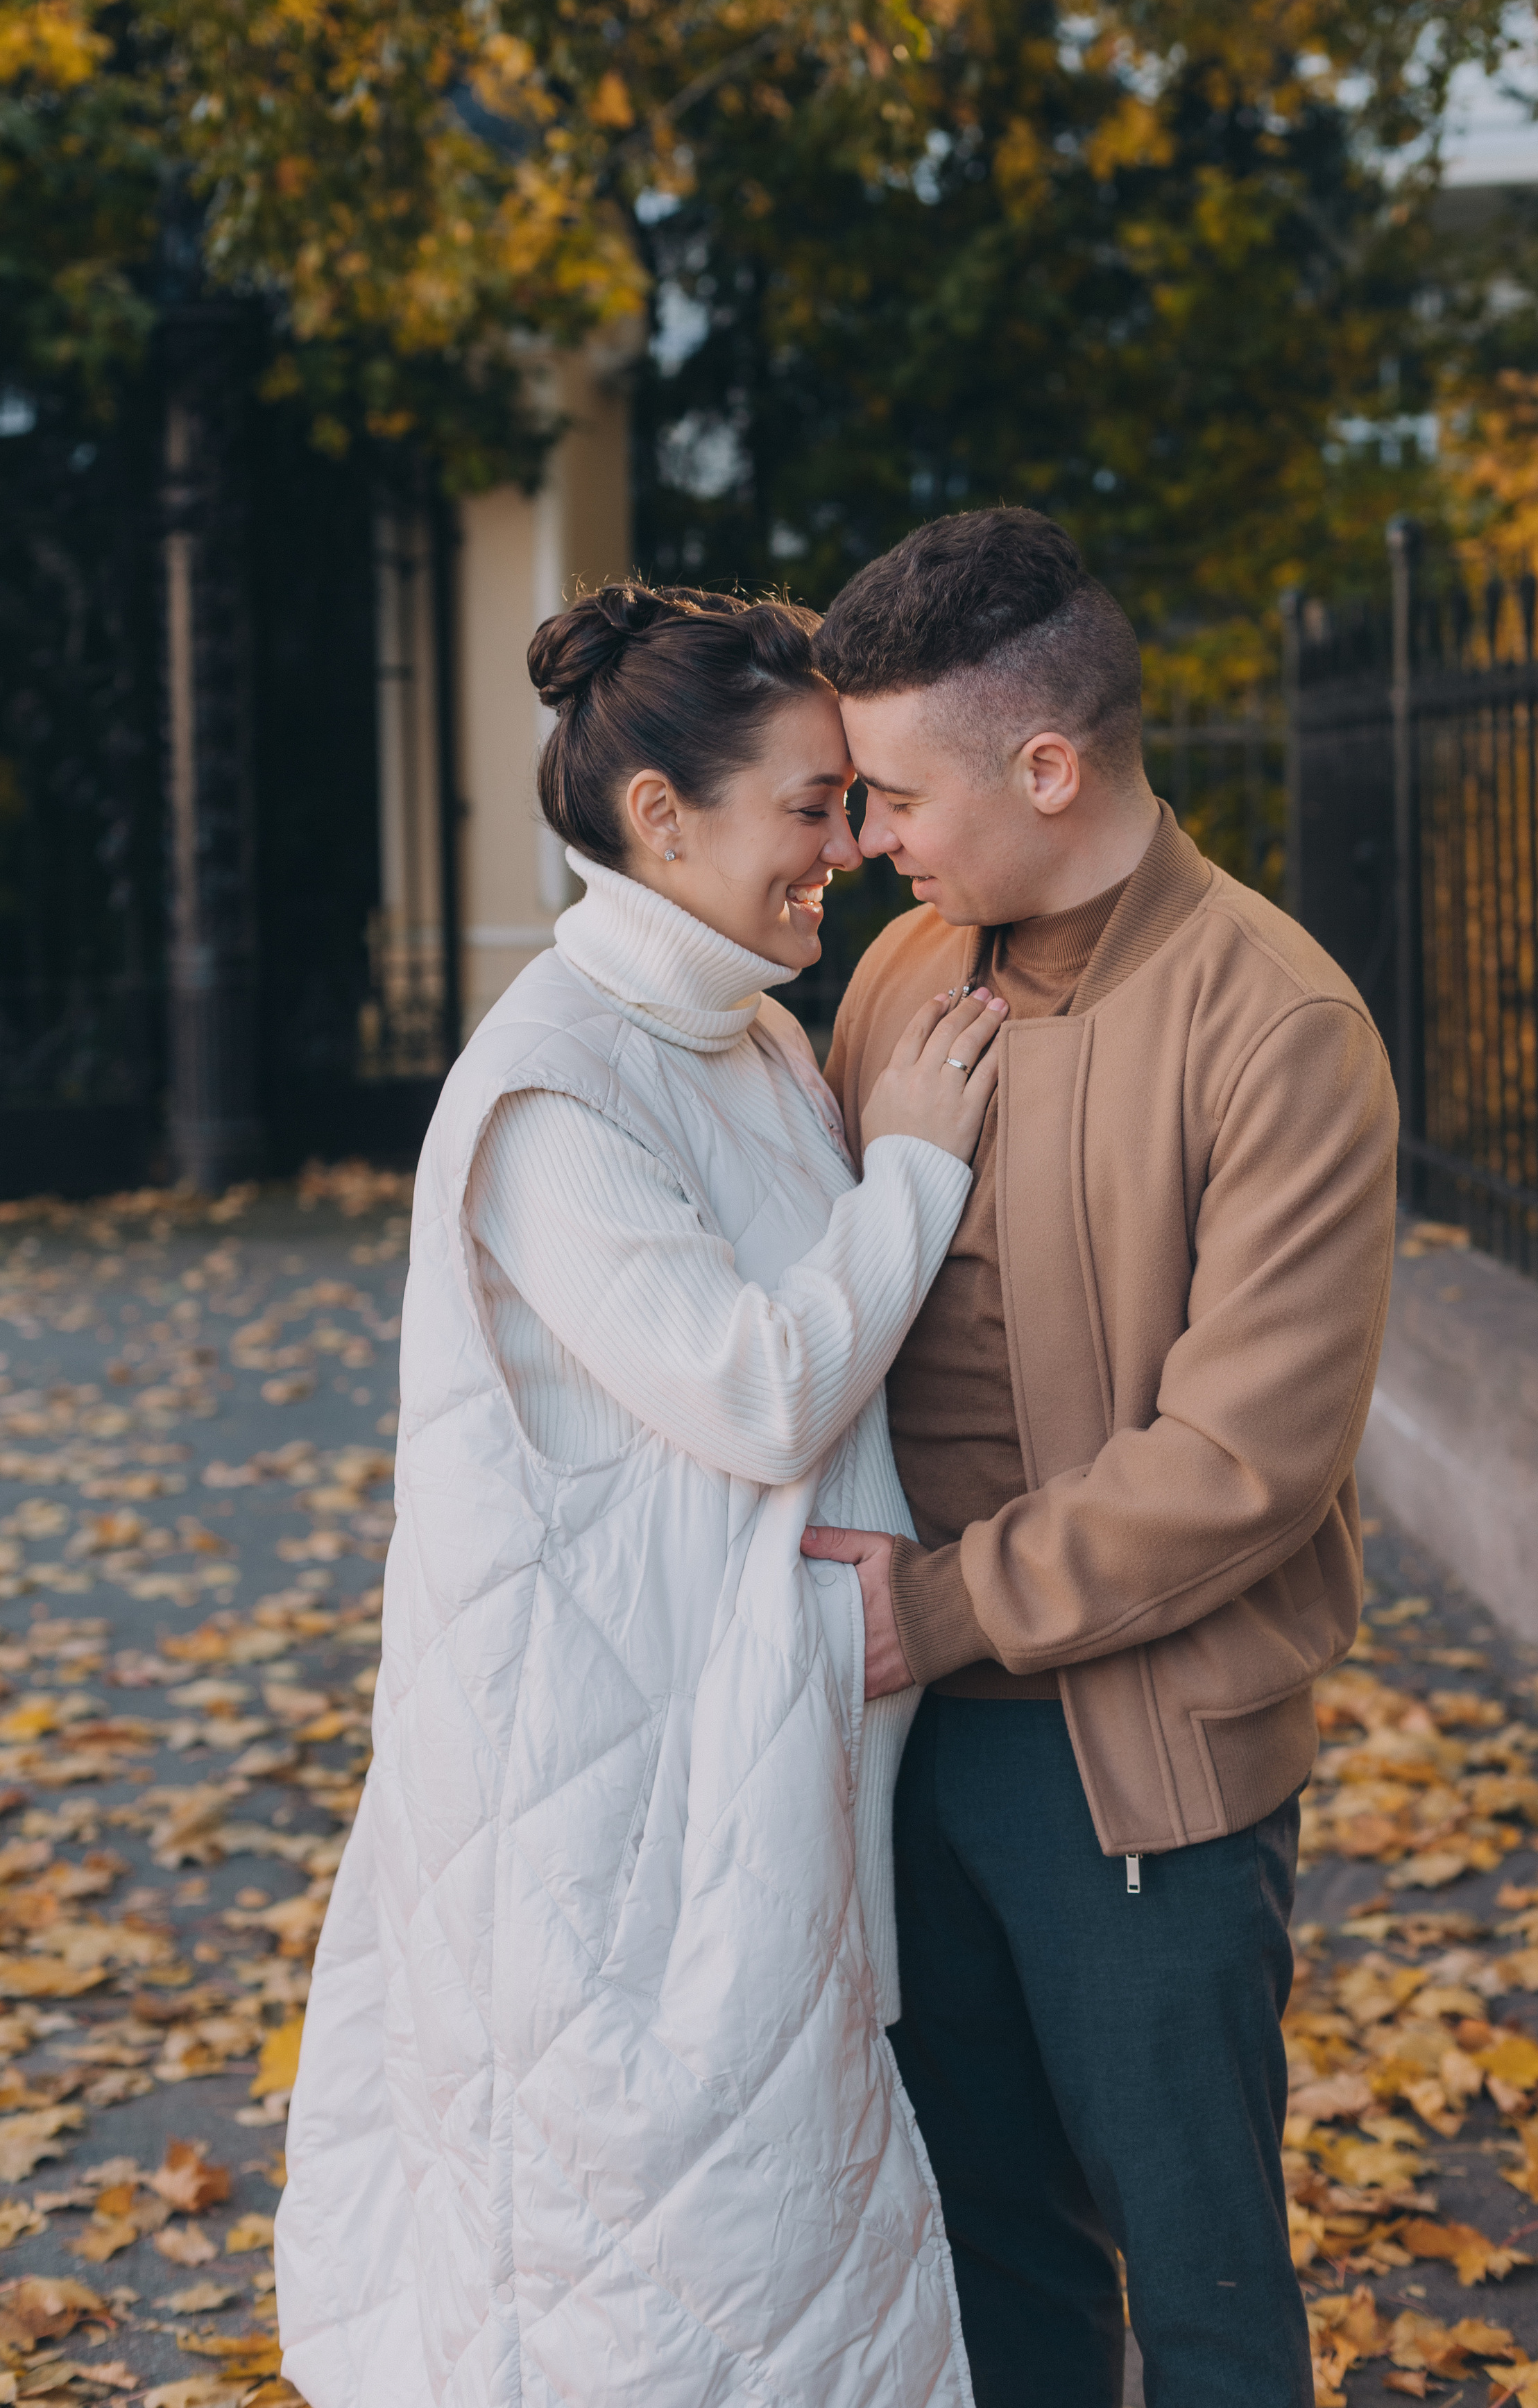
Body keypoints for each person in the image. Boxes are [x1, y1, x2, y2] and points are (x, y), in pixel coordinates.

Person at [275, 583, 1004, 2408]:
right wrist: (915, 1166)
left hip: (751, 1777)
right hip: (605, 1815)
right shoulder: (554, 1090)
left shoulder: (746, 1033)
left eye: (849, 803)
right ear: (662, 817)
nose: (844, 845)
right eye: (809, 805)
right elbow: (759, 1389)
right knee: (636, 2293)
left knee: (768, 2284)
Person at [803, 507, 1399, 2408]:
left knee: (1204, 2279)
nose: (870, 836)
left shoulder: (1277, 1022)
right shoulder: (906, 975)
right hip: (898, 1739)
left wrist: (939, 1606)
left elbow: (1244, 1463)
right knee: (985, 2255)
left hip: (1131, 1761)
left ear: (1048, 767)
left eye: (895, 793)